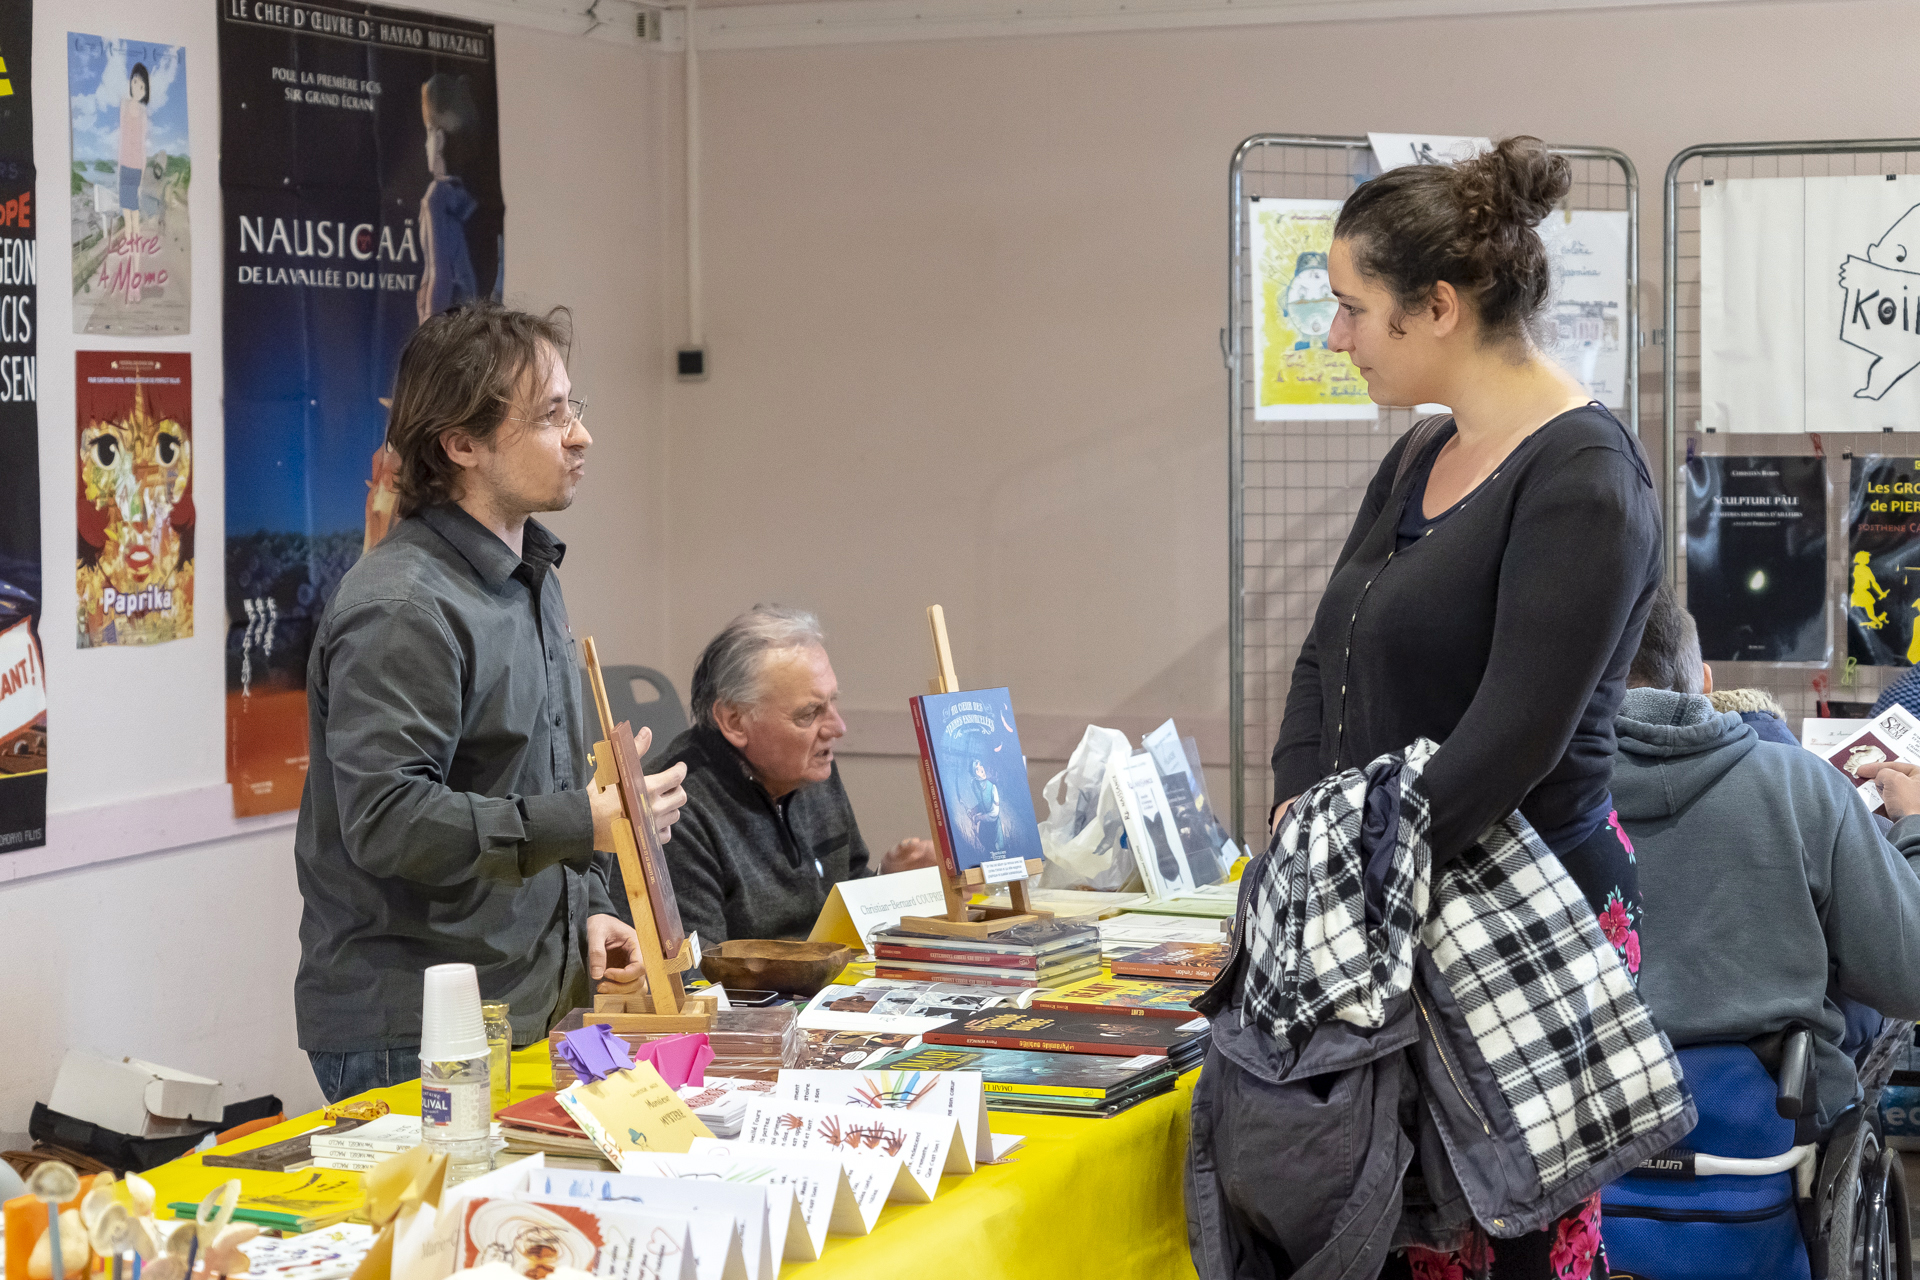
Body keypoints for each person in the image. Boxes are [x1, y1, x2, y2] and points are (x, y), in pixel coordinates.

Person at [1251, 136, 1664, 1278]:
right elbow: (1325, 655)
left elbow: (1508, 745)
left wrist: (1341, 870)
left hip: (1510, 930)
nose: (1336, 339)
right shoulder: (1425, 450)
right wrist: (1298, 813)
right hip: (1391, 911)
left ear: (1435, 307)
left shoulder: (1583, 474)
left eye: (1351, 309)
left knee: (1496, 1242)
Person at [293, 301, 689, 1104]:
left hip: (527, 998)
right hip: (415, 1025)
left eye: (574, 407)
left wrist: (586, 913)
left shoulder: (531, 578)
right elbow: (388, 820)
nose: (580, 434)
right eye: (550, 416)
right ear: (461, 444)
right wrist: (590, 823)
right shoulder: (404, 606)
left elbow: (519, 787)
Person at [1613, 582, 1920, 1128]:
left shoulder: (1525, 801)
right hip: (1775, 1134)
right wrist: (1914, 827)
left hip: (1572, 1150)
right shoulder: (1803, 784)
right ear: (1705, 683)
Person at [654, 606, 941, 944]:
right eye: (810, 713)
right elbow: (698, 979)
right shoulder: (674, 810)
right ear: (734, 721)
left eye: (833, 702)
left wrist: (886, 885)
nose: (838, 727)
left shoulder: (807, 768)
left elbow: (840, 895)